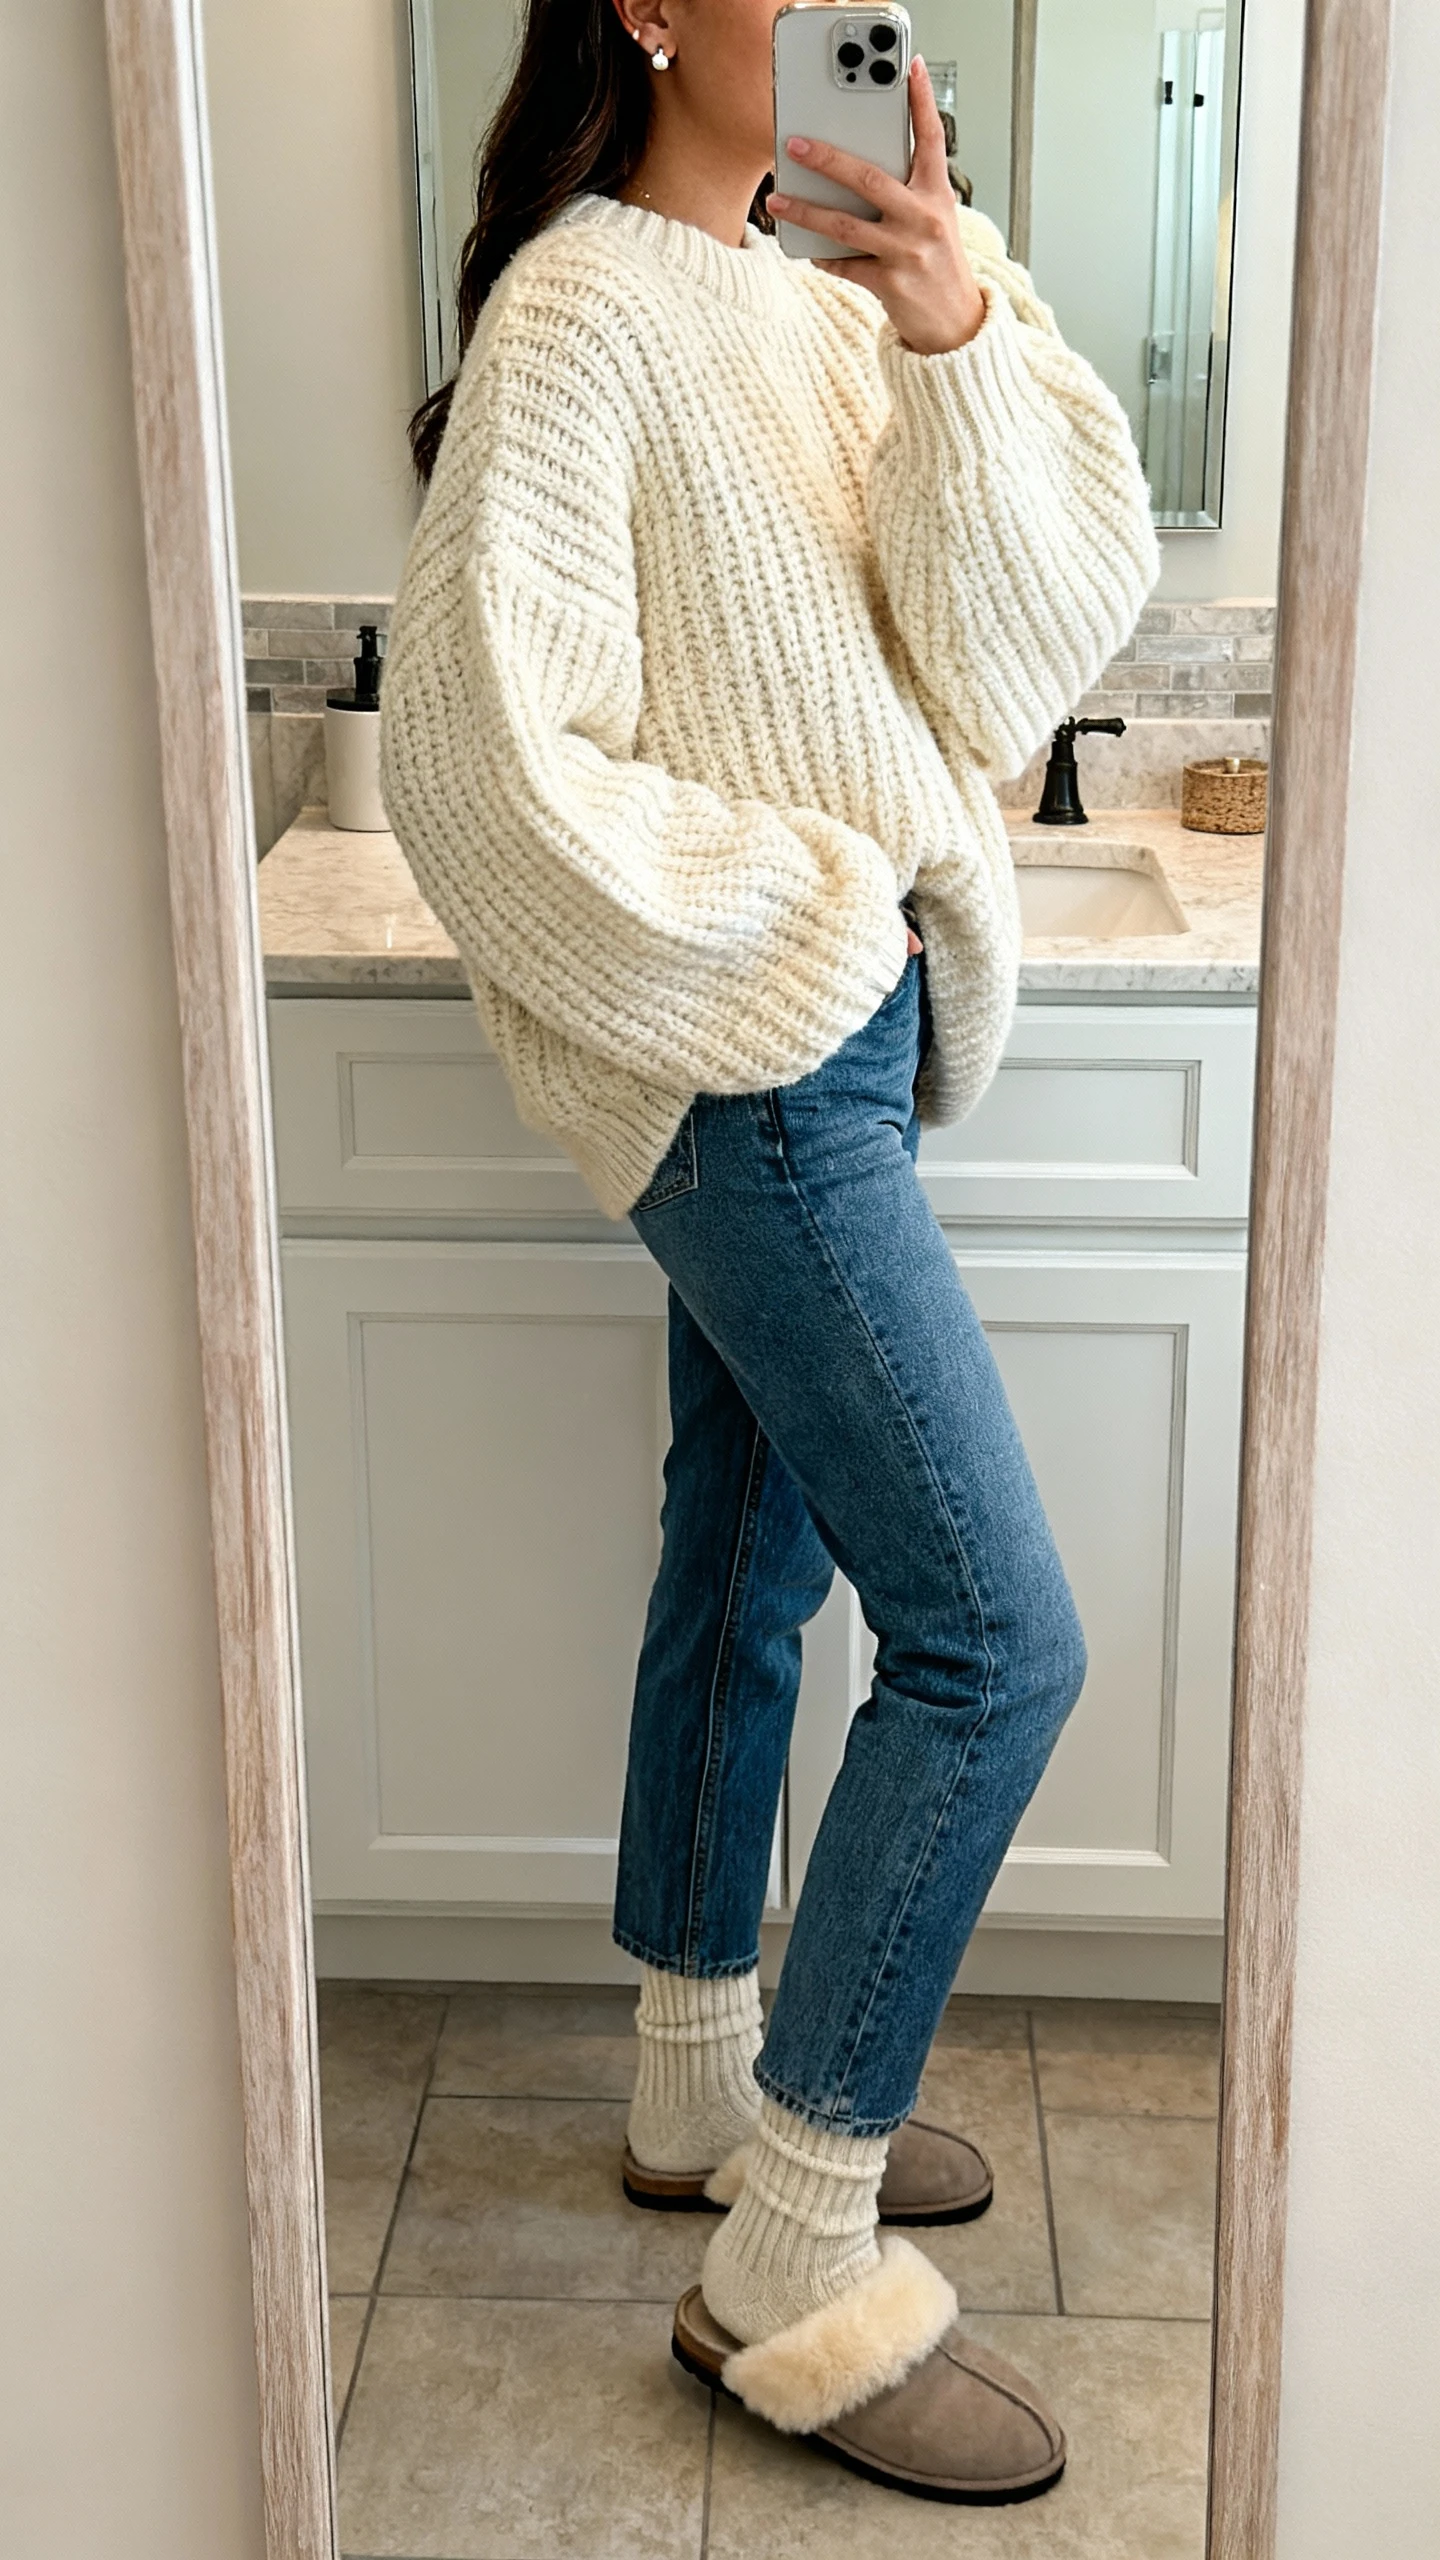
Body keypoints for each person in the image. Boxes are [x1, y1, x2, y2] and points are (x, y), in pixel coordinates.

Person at [383, 0, 1158, 2503]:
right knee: (997, 1632)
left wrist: (955, 336)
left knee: (748, 1552)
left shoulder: (868, 284)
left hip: (843, 1036)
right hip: (764, 1044)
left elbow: (1030, 642)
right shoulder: (581, 307)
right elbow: (478, 749)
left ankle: (702, 2087)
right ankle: (795, 2263)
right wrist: (810, 920)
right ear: (643, 7)